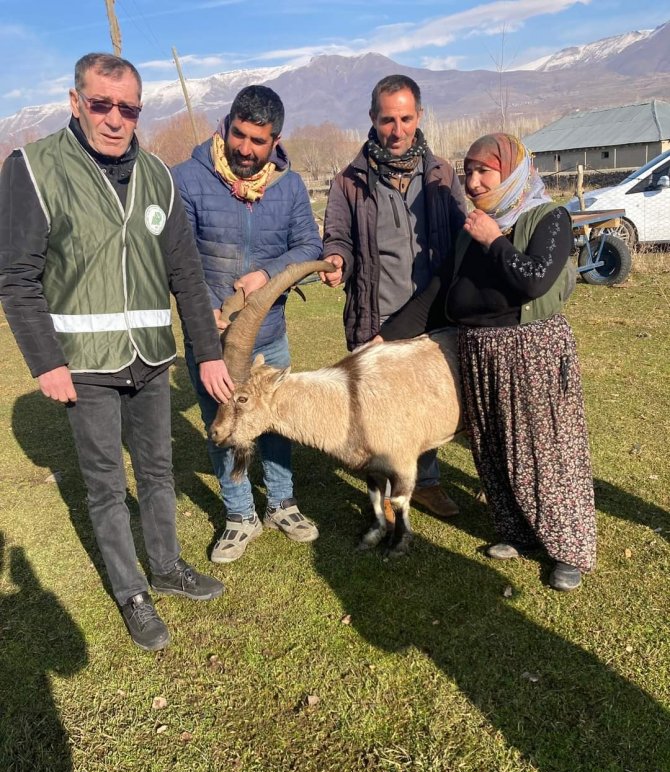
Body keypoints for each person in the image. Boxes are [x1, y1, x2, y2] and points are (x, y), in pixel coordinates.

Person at [0, 53, 235, 651]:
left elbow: (184, 269)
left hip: (153, 358)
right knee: (105, 483)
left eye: (127, 107)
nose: (114, 119)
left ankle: (166, 567)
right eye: (101, 104)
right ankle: (131, 591)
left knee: (158, 472)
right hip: (85, 366)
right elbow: (17, 277)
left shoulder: (157, 174)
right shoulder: (34, 168)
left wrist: (207, 352)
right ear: (75, 101)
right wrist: (47, 362)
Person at [380, 132, 596, 591]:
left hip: (529, 352)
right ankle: (519, 532)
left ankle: (567, 549)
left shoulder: (547, 217)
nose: (474, 182)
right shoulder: (473, 228)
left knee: (545, 452)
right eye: (468, 173)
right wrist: (382, 341)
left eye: (484, 171)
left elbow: (534, 282)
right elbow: (438, 294)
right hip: (478, 352)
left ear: (512, 172)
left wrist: (494, 241)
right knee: (496, 450)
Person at [173, 85, 322, 564]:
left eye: (258, 141)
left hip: (269, 338)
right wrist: (204, 322)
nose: (245, 148)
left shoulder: (290, 187)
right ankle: (239, 515)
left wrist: (269, 272)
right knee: (223, 424)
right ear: (226, 124)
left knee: (275, 422)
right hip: (212, 340)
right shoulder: (188, 180)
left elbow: (309, 247)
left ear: (275, 140)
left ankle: (282, 503)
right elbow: (179, 261)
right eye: (239, 135)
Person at [320, 74, 466, 521]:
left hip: (434, 316)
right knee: (377, 416)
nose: (397, 129)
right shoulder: (349, 181)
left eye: (405, 118)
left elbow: (462, 235)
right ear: (372, 119)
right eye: (387, 120)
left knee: (424, 406)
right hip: (377, 318)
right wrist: (336, 259)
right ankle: (382, 491)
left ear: (419, 117)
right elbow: (337, 236)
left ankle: (427, 484)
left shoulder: (442, 174)